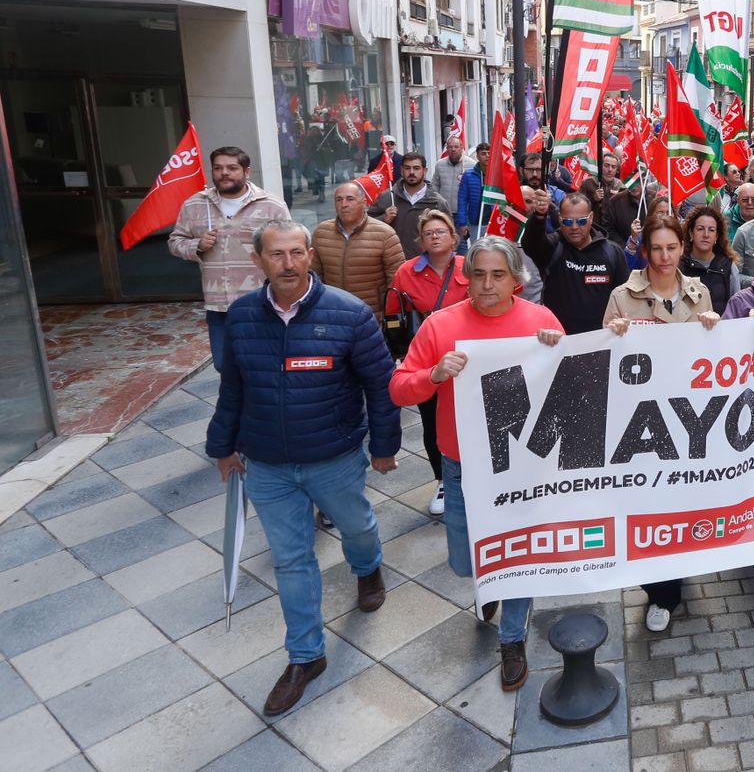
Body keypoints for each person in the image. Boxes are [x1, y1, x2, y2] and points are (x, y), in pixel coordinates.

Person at [205, 220, 399, 717]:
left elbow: (381, 386)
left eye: (296, 253)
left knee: (357, 527)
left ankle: (368, 567)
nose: (287, 264)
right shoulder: (243, 317)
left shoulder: (350, 314)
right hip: (267, 464)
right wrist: (222, 446)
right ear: (259, 261)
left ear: (310, 255)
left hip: (334, 457)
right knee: (292, 560)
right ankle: (305, 656)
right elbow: (233, 390)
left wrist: (384, 446)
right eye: (276, 255)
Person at [390, 236, 566, 689]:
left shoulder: (540, 319)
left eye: (498, 275)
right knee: (465, 561)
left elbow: (569, 384)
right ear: (467, 277)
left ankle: (512, 638)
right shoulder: (439, 325)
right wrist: (433, 374)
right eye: (479, 275)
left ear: (517, 281)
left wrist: (556, 347)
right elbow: (400, 388)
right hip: (462, 465)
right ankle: (486, 584)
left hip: (522, 464)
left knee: (517, 556)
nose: (487, 285)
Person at [602, 215, 720, 633]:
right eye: (657, 248)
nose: (665, 256)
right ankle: (659, 593)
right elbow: (606, 361)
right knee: (648, 507)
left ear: (682, 248)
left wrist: (713, 326)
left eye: (672, 248)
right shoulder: (622, 296)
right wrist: (613, 335)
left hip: (688, 420)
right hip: (643, 422)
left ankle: (678, 569)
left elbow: (713, 359)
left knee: (681, 503)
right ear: (645, 250)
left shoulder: (699, 292)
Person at [168, 145, 291, 370]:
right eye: (218, 168)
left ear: (246, 171)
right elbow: (175, 242)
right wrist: (196, 245)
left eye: (232, 168)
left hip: (262, 302)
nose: (224, 173)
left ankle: (264, 405)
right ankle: (236, 405)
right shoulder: (195, 204)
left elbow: (290, 245)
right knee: (225, 365)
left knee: (265, 364)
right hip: (219, 306)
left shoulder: (272, 205)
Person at [386, 208, 469, 517]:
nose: (434, 237)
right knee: (434, 422)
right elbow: (394, 315)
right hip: (428, 362)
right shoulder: (405, 272)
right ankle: (443, 480)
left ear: (454, 237)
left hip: (468, 359)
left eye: (440, 231)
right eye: (428, 233)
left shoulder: (471, 267)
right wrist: (399, 352)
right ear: (420, 241)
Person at [521, 189, 630, 333]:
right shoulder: (553, 246)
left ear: (591, 218)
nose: (574, 227)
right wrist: (539, 216)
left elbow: (624, 298)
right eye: (567, 221)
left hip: (601, 340)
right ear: (559, 219)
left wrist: (621, 322)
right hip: (558, 340)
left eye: (581, 221)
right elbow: (531, 244)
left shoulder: (613, 252)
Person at [311, 183, 405, 320]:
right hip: (333, 316)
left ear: (364, 203)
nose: (344, 204)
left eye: (350, 199)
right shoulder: (321, 232)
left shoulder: (385, 234)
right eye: (339, 199)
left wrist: (387, 316)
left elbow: (396, 281)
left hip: (372, 317)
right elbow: (314, 277)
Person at [369, 152, 451, 258]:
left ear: (424, 171)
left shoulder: (437, 203)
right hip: (393, 262)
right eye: (407, 168)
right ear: (402, 170)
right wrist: (384, 219)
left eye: (416, 168)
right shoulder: (387, 198)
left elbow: (449, 236)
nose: (412, 172)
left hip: (426, 264)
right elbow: (367, 225)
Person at [680, 205, 744, 314]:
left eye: (711, 230)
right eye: (700, 229)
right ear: (691, 233)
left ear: (717, 236)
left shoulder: (728, 266)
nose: (706, 235)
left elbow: (736, 307)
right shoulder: (680, 265)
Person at [455, 142, 491, 242]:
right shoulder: (468, 175)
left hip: (494, 221)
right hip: (476, 221)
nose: (487, 156)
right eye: (483, 154)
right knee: (477, 249)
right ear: (477, 156)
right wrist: (462, 223)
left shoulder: (498, 173)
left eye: (489, 153)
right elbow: (462, 199)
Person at [430, 135, 470, 217]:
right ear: (447, 149)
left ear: (462, 147)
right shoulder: (440, 164)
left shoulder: (471, 165)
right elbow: (434, 185)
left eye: (456, 147)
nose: (453, 149)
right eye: (450, 147)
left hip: (464, 213)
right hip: (444, 212)